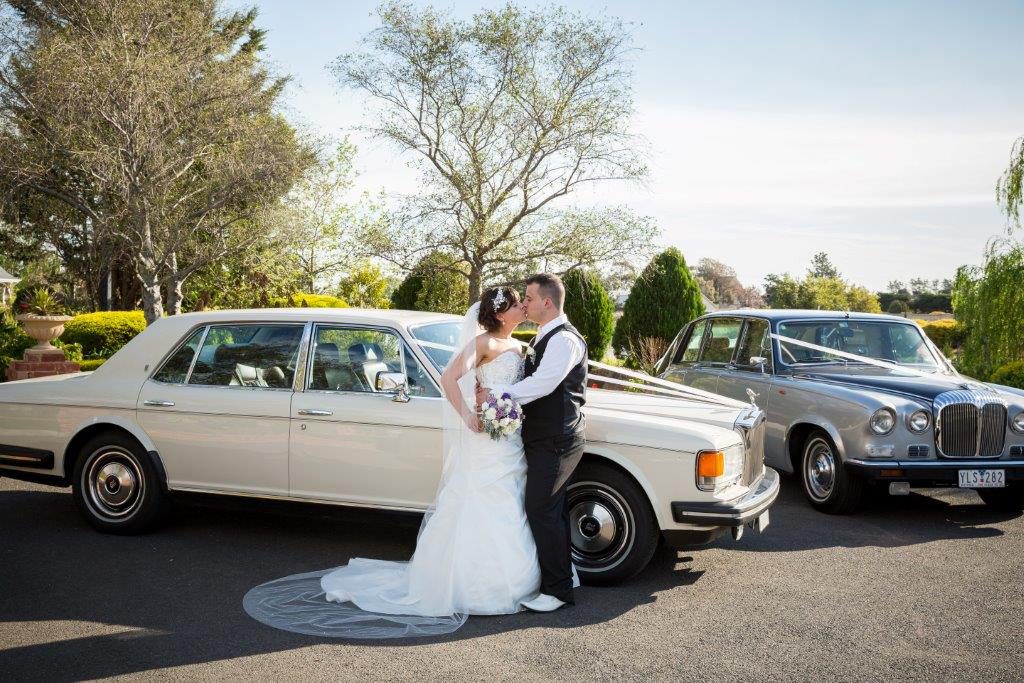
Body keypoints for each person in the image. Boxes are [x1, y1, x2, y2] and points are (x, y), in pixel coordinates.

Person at [243, 285, 553, 638]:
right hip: (483, 439)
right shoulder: (481, 344)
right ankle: (468, 584)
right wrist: (468, 414)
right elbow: (449, 377)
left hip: (508, 439)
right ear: (499, 313)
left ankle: (515, 580)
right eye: (517, 304)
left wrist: (498, 405)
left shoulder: (520, 346)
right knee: (478, 503)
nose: (523, 308)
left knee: (511, 504)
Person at [477, 273, 588, 612]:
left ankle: (557, 592)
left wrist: (494, 395)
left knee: (542, 509)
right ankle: (558, 579)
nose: (524, 303)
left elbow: (544, 383)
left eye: (528, 297)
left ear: (547, 302)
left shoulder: (565, 340)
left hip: (557, 438)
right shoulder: (545, 334)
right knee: (547, 510)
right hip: (542, 437)